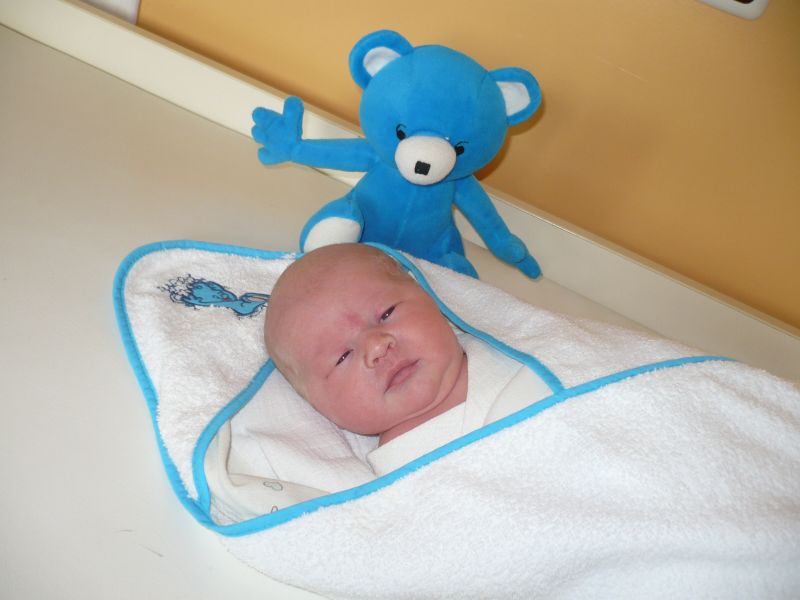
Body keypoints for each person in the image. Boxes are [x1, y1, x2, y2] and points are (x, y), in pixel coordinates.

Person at [264, 243, 469, 447]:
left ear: (426, 295)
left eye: (386, 313)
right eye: (343, 357)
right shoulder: (397, 463)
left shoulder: (488, 347)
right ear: (319, 408)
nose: (377, 346)